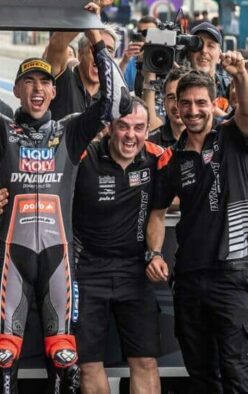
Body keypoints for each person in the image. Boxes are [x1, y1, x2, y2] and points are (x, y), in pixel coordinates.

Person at [0, 0, 130, 394]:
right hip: (11, 258)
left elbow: (117, 103)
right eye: (29, 82)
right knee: (2, 356)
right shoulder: (1, 130)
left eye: (44, 82)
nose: (37, 89)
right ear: (16, 90)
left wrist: (94, 35)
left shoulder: (71, 130)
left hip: (58, 258)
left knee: (64, 358)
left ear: (54, 90)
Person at [147, 60, 248, 393]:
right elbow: (157, 212)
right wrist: (154, 253)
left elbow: (246, 114)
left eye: (201, 102)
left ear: (214, 103)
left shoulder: (232, 135)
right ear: (175, 106)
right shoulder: (171, 159)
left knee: (237, 371)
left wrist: (241, 76)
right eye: (185, 103)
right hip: (189, 279)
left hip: (233, 276)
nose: (193, 111)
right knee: (201, 374)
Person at [72, 98, 163, 394]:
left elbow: (166, 206)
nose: (130, 135)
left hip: (135, 271)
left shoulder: (158, 158)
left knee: (146, 361)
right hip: (88, 270)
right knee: (88, 364)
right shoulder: (84, 157)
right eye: (123, 126)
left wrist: (155, 254)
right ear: (110, 127)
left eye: (138, 128)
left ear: (147, 130)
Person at [188, 22, 232, 113]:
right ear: (188, 54)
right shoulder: (175, 86)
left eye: (210, 46)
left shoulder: (229, 88)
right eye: (198, 45)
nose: (204, 50)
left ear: (219, 56)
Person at [145, 67, 190, 148]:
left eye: (183, 97)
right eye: (171, 97)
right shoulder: (150, 143)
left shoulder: (210, 139)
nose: (177, 105)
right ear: (164, 101)